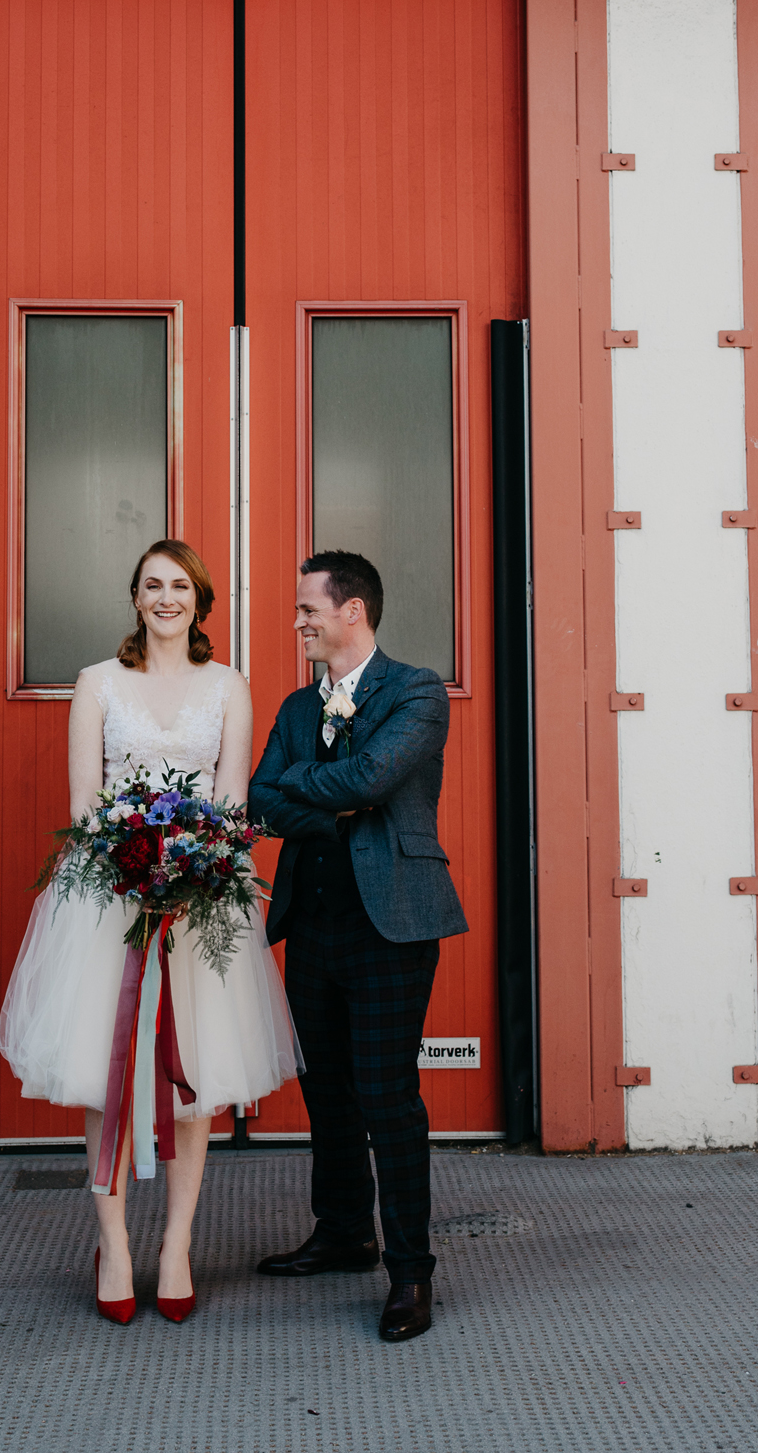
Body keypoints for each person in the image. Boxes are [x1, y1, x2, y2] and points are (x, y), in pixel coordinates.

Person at [0, 539, 300, 1325]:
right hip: (109, 897)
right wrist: (134, 864)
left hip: (202, 904)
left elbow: (232, 804)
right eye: (152, 585)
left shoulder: (229, 686)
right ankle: (115, 1245)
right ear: (135, 598)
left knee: (192, 1074)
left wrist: (195, 869)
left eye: (180, 586)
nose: (166, 597)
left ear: (200, 602)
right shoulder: (98, 683)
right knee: (103, 1071)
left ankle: (175, 1245)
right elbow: (82, 804)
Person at [248, 550, 468, 1344]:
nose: (299, 621)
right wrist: (327, 805)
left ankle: (410, 1271)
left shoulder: (415, 691)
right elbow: (259, 801)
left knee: (387, 1099)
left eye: (309, 608)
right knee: (327, 1093)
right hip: (310, 925)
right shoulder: (296, 707)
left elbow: (373, 779)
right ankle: (343, 1232)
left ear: (353, 611)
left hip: (392, 926)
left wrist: (319, 793)